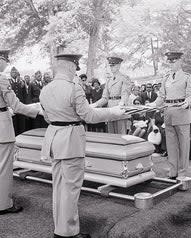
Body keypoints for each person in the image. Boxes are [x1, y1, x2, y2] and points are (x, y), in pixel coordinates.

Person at [39, 52, 125, 238]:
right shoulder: (74, 88)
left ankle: (60, 228)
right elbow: (89, 116)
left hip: (54, 139)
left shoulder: (45, 89)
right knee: (71, 188)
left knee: (59, 186)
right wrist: (114, 112)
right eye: (75, 69)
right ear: (71, 67)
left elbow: (46, 117)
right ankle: (68, 232)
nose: (75, 73)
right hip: (71, 141)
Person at [0, 49, 41, 215]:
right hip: (2, 128)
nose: (7, 64)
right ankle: (3, 204)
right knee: (3, 169)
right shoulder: (2, 79)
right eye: (5, 60)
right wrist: (37, 111)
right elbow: (16, 106)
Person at [153, 51, 191, 179]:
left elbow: (190, 95)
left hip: (182, 112)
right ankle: (173, 172)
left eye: (174, 60)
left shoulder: (187, 77)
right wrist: (152, 105)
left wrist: (187, 103)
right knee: (171, 146)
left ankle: (182, 173)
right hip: (169, 113)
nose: (171, 63)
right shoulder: (165, 77)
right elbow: (161, 97)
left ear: (180, 61)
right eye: (170, 61)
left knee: (183, 146)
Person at [91, 56, 131, 134]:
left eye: (114, 65)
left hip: (120, 108)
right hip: (110, 108)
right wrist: (95, 104)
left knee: (121, 134)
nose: (111, 67)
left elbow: (125, 94)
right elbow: (105, 98)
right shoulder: (109, 80)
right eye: (110, 66)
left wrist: (121, 104)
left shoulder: (124, 78)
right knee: (111, 134)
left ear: (119, 66)